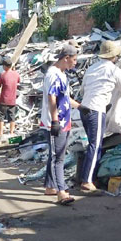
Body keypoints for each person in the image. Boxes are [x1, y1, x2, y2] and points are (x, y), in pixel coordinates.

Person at [77, 41, 121, 195]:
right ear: (114, 56)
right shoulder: (114, 70)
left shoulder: (92, 68)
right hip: (97, 110)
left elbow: (82, 90)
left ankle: (89, 177)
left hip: (84, 108)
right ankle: (87, 181)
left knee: (93, 144)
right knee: (95, 145)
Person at [41, 44, 86, 205]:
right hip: (55, 122)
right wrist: (54, 121)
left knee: (55, 155)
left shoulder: (62, 74)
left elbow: (64, 98)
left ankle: (50, 187)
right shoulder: (53, 75)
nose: (75, 63)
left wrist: (80, 107)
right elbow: (52, 98)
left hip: (63, 121)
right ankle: (61, 192)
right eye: (73, 60)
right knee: (58, 158)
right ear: (65, 58)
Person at [0, 56, 20, 139]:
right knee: (12, 116)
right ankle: (11, 132)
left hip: (3, 99)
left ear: (5, 66)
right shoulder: (16, 74)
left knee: (1, 116)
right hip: (12, 99)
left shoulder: (3, 75)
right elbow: (18, 80)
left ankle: (0, 133)